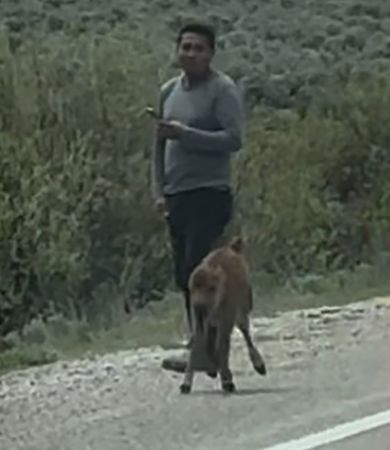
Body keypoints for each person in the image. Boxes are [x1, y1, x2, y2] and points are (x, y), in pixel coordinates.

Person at [149, 23, 246, 374]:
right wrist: (158, 190)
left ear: (211, 54)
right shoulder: (168, 91)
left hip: (210, 193)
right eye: (186, 47)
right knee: (184, 276)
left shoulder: (223, 90)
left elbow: (233, 139)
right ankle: (202, 347)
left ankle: (206, 350)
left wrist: (186, 134)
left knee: (202, 271)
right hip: (177, 195)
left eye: (198, 48)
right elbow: (158, 145)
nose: (191, 54)